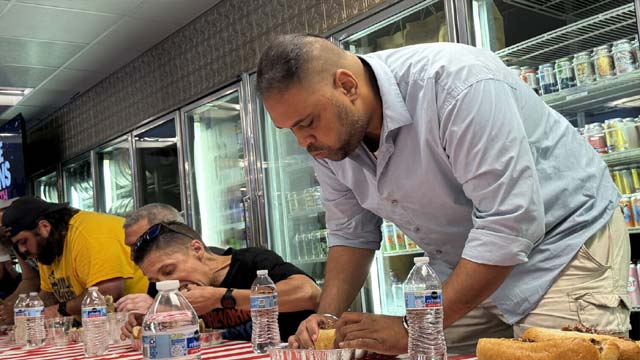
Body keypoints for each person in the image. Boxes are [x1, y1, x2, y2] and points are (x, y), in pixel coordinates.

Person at [256, 35, 628, 355]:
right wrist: (329, 318)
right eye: (289, 130)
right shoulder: (329, 144)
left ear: (347, 86)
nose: (303, 142)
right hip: (468, 266)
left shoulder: (455, 83)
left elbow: (508, 222)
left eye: (306, 124)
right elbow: (351, 234)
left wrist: (410, 328)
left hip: (562, 249)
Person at [121, 221, 321, 341]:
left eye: (169, 270)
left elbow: (309, 293)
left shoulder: (253, 262)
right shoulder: (165, 290)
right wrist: (147, 324)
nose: (167, 283)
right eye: (155, 279)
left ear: (197, 249)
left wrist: (223, 298)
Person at [1, 196, 149, 319]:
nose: (22, 250)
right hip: (100, 325)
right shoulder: (47, 246)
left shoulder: (89, 235)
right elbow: (49, 294)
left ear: (44, 226)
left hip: (138, 319)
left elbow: (107, 292)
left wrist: (60, 309)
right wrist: (25, 311)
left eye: (23, 242)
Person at [115, 203, 185, 314]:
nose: (132, 257)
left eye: (139, 246)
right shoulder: (155, 277)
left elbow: (201, 320)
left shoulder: (208, 266)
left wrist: (158, 309)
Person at [0, 197, 40, 325]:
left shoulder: (35, 238)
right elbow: (30, 279)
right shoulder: (16, 243)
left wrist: (21, 310)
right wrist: (7, 306)